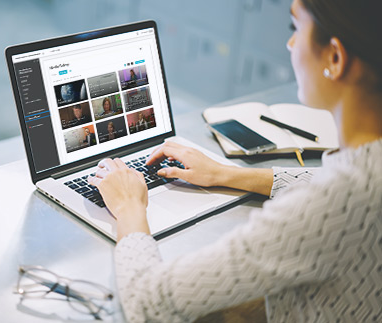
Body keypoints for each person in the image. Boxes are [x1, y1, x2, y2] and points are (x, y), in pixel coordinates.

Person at [88, 0, 382, 322]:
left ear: (335, 58)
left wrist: (130, 205)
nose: (290, 44)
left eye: (295, 28)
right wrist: (227, 174)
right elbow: (327, 183)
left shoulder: (330, 205)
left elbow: (147, 303)